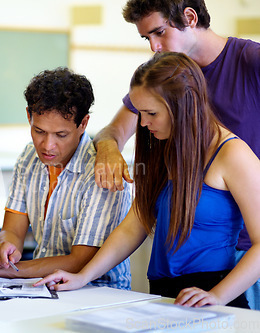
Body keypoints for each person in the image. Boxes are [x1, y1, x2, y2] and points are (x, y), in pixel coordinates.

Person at [37, 52, 260, 309]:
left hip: (213, 295)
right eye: (140, 113)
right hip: (164, 295)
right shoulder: (166, 147)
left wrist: (218, 296)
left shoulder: (232, 153)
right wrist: (83, 276)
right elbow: (135, 224)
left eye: (151, 113)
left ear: (182, 105)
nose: (143, 123)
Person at [93, 0, 260, 310]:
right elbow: (113, 131)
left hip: (243, 253)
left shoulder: (250, 60)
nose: (155, 47)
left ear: (190, 18)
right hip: (178, 271)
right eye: (146, 38)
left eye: (159, 33)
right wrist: (108, 149)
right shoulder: (160, 85)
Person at [0, 68, 132, 289]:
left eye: (61, 135)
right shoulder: (29, 157)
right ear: (29, 115)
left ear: (83, 124)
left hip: (98, 292)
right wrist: (5, 247)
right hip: (41, 288)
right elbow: (13, 230)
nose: (47, 146)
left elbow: (79, 261)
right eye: (39, 131)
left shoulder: (102, 170)